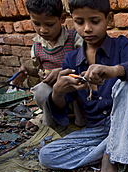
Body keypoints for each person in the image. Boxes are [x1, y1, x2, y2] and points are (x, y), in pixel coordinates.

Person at [38, 0, 128, 172]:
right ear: (71, 21)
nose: (87, 29)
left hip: (126, 120)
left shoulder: (121, 45)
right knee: (47, 156)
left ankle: (109, 158)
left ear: (109, 19)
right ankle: (119, 148)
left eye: (95, 21)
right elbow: (62, 109)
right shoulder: (72, 59)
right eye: (79, 22)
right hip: (98, 131)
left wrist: (115, 70)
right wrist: (58, 91)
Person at [11, 0, 84, 130]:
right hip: (54, 93)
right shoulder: (37, 46)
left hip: (74, 87)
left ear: (62, 18)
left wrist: (61, 71)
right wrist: (28, 71)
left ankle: (80, 121)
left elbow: (85, 65)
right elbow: (40, 72)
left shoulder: (75, 39)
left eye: (49, 24)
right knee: (41, 91)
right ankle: (49, 124)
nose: (43, 30)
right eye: (36, 24)